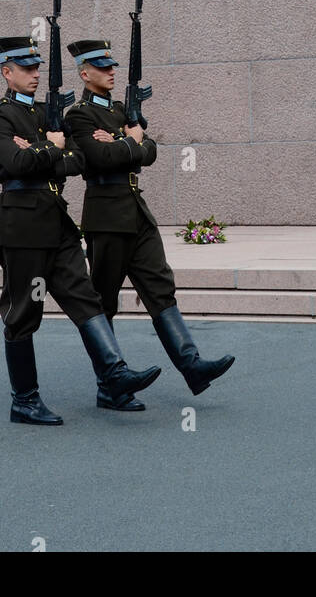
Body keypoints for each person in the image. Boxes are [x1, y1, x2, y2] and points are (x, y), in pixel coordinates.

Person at [0, 35, 161, 424]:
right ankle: (24, 400)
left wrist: (42, 150)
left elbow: (77, 161)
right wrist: (48, 148)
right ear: (6, 72)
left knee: (86, 299)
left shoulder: (48, 113)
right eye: (26, 69)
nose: (33, 74)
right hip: (23, 229)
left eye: (36, 68)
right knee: (24, 312)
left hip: (58, 225)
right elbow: (14, 164)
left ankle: (114, 375)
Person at [64, 39, 235, 402]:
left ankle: (192, 365)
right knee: (104, 302)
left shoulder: (121, 111)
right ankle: (110, 385)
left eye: (112, 66)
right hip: (106, 217)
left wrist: (124, 141)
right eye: (102, 67)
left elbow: (151, 151)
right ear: (84, 73)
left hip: (136, 213)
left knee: (160, 287)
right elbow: (98, 157)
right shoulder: (78, 115)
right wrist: (127, 143)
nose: (111, 71)